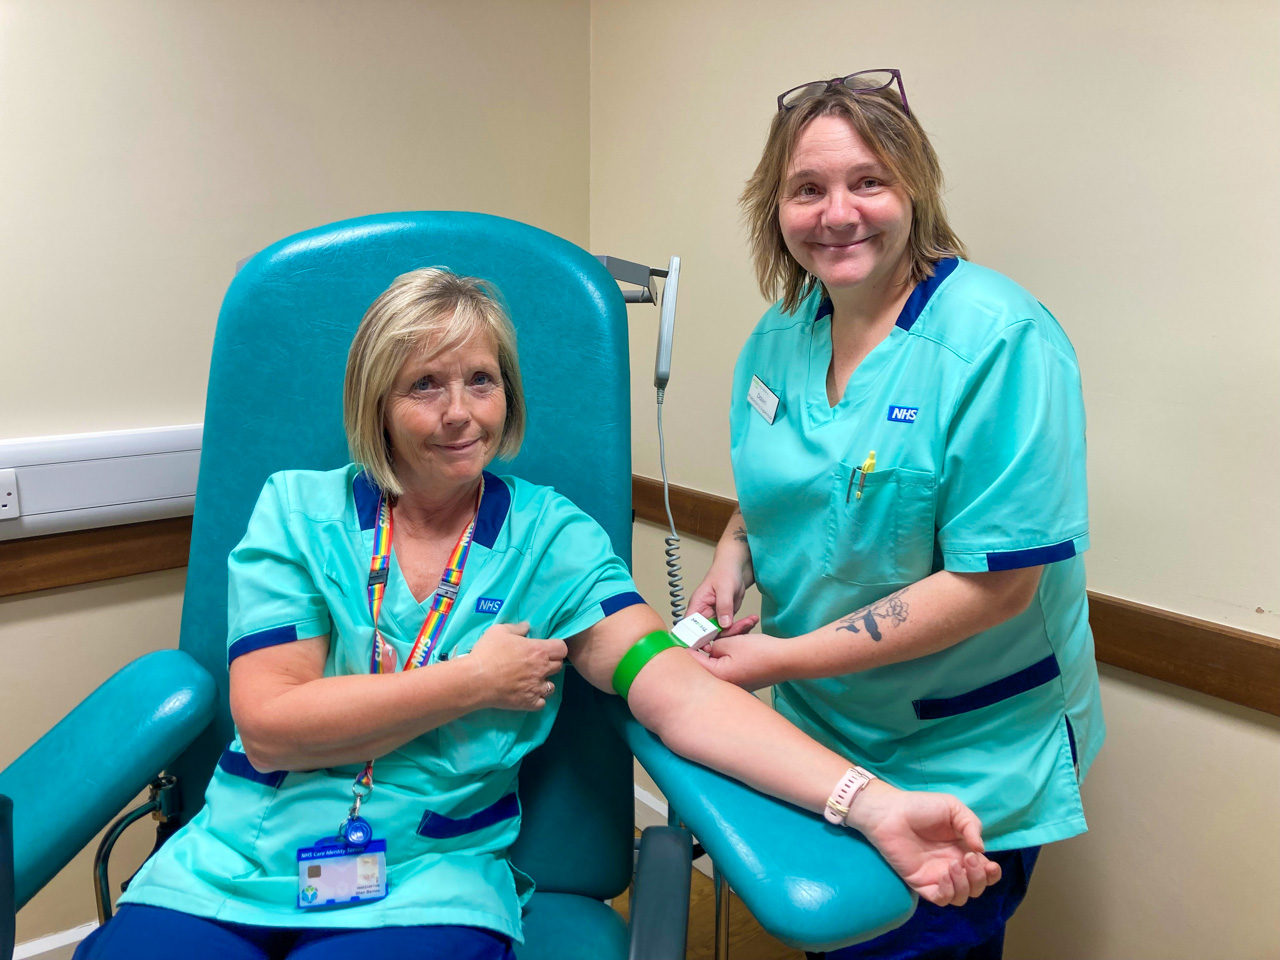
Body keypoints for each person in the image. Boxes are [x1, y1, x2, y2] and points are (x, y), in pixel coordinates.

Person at [78, 268, 999, 960]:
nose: (458, 415)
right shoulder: (299, 510)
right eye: (423, 385)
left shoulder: (551, 543)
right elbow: (274, 727)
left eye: (481, 380)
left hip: (425, 885)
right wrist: (474, 680)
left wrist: (867, 802)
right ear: (377, 404)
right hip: (230, 867)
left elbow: (676, 693)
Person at [688, 71, 1105, 960]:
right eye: (808, 189)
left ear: (915, 188)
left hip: (962, 745)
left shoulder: (999, 340)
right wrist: (734, 551)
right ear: (777, 207)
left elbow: (996, 588)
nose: (838, 213)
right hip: (820, 735)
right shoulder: (781, 332)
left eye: (867, 181)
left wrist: (779, 659)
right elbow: (797, 483)